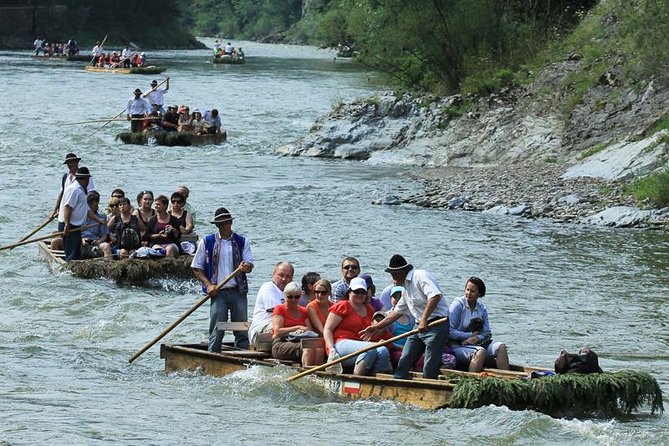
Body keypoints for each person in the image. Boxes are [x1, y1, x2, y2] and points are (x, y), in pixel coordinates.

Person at [360, 254, 450, 380]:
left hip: (437, 325)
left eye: (393, 275)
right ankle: (398, 385)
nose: (393, 279)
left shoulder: (420, 276)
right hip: (419, 327)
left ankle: (427, 391)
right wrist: (376, 327)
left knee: (429, 366)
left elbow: (434, 296)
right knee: (404, 360)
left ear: (401, 272)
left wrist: (424, 319)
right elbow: (396, 312)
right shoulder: (406, 289)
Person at [192, 207, 254, 351]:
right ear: (217, 225)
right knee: (217, 330)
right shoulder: (207, 242)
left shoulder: (242, 241)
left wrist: (246, 267)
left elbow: (249, 265)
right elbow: (196, 267)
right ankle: (213, 357)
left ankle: (243, 357)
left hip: (238, 291)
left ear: (230, 223)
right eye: (220, 223)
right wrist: (208, 285)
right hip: (218, 292)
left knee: (241, 328)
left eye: (226, 222)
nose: (224, 226)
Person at [323, 277, 392, 376]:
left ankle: (375, 380)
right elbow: (328, 329)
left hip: (363, 346)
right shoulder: (343, 306)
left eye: (362, 292)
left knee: (383, 350)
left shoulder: (370, 309)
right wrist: (331, 349)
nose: (359, 294)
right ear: (349, 292)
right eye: (356, 291)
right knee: (370, 348)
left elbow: (374, 332)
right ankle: (356, 379)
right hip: (341, 345)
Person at [449, 277, 509, 372]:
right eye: (467, 290)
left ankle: (507, 380)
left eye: (472, 291)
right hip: (456, 346)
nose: (468, 293)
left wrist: (476, 338)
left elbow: (486, 332)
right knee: (480, 352)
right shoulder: (458, 305)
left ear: (479, 294)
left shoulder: (481, 308)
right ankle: (471, 382)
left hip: (477, 344)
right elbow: (449, 331)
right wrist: (469, 336)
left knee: (501, 347)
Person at [271, 282, 324, 366]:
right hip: (281, 343)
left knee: (319, 349)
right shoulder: (280, 309)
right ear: (285, 296)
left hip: (300, 340)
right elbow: (277, 332)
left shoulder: (303, 311)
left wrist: (302, 331)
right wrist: (297, 328)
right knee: (308, 348)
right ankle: (307, 372)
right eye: (290, 297)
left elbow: (309, 329)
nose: (293, 300)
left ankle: (317, 374)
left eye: (296, 297)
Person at [248, 261, 294, 346]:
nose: (284, 279)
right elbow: (278, 312)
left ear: (291, 278)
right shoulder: (268, 287)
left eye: (288, 276)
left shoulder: (292, 293)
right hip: (260, 332)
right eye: (281, 275)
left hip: (279, 331)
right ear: (274, 274)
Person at [51, 153, 97, 225]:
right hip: (65, 215)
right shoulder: (65, 177)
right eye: (68, 163)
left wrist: (89, 212)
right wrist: (55, 210)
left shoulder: (85, 177)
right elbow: (62, 194)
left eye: (72, 162)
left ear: (77, 162)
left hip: (79, 215)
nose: (70, 165)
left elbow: (91, 195)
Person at [61, 167, 93, 261]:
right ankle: (70, 266)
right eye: (88, 179)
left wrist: (98, 220)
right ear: (85, 179)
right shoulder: (74, 189)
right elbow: (68, 207)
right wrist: (66, 225)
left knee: (76, 250)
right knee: (71, 251)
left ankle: (74, 264)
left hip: (76, 226)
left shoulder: (81, 189)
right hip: (70, 225)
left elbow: (85, 209)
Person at [80, 191, 113, 259]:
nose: (95, 207)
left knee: (106, 246)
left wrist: (98, 242)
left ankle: (109, 267)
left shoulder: (102, 217)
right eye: (91, 205)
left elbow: (104, 236)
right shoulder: (79, 216)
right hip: (81, 242)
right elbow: (74, 234)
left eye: (95, 205)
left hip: (95, 242)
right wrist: (81, 239)